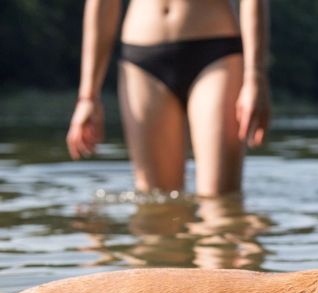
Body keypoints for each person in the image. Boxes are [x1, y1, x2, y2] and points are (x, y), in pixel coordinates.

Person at [66, 0, 270, 196]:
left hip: (216, 52)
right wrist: (88, 96)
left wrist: (255, 76)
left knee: (219, 203)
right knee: (155, 204)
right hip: (142, 60)